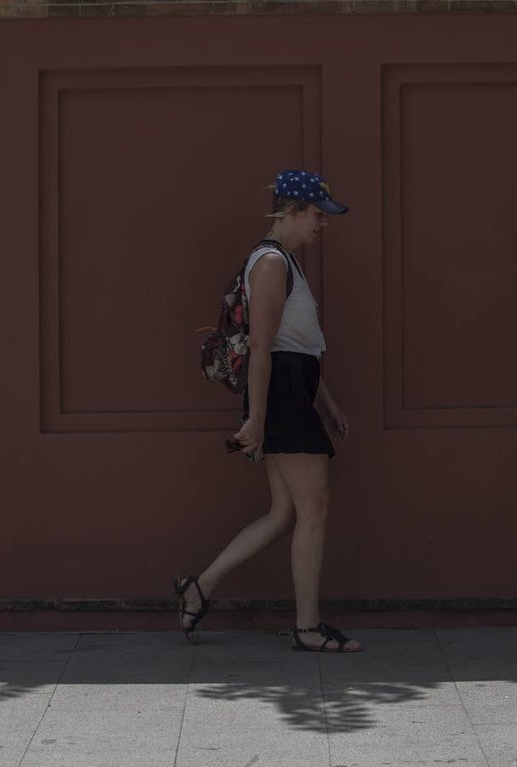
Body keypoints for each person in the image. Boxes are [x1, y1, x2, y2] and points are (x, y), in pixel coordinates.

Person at [175, 169, 361, 653]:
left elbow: (296, 345)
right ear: (293, 212)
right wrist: (256, 419)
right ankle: (308, 627)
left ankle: (199, 587)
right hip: (281, 393)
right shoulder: (272, 263)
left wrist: (327, 403)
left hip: (292, 388)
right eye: (318, 214)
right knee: (314, 507)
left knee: (284, 514)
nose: (323, 223)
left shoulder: (285, 262)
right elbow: (262, 348)